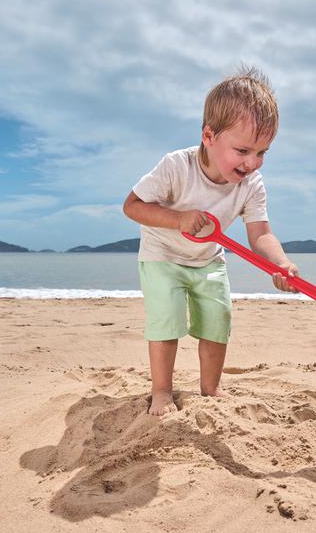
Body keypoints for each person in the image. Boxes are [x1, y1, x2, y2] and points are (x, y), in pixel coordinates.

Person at [123, 66, 298, 416]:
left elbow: (260, 233)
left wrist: (280, 263)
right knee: (166, 318)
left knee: (218, 319)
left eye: (262, 152)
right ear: (209, 136)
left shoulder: (251, 184)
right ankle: (161, 392)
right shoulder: (176, 166)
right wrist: (178, 219)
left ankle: (211, 388)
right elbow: (132, 206)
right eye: (243, 150)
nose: (252, 163)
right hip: (162, 255)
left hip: (208, 258)